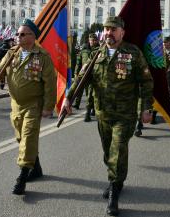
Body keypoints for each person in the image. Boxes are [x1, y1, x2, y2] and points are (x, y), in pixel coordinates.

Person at [63, 16, 153, 216]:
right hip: (102, 112)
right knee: (108, 151)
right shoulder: (96, 55)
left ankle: (114, 190)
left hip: (125, 113)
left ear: (122, 32)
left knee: (118, 148)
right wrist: (68, 99)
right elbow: (80, 79)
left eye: (114, 29)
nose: (109, 33)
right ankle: (118, 179)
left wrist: (146, 107)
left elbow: (146, 81)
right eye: (106, 29)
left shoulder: (133, 53)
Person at [0, 19, 56, 195]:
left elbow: (50, 84)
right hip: (16, 104)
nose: (18, 37)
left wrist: (48, 106)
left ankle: (22, 177)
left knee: (28, 138)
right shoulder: (11, 54)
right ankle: (35, 168)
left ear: (32, 37)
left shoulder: (42, 56)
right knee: (21, 139)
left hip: (33, 105)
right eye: (17, 34)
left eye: (22, 34)